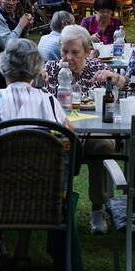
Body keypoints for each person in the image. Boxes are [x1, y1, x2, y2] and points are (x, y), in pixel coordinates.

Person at [0, 39, 78, 269]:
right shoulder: (50, 101)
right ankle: (22, 250)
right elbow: (71, 135)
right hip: (41, 188)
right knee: (33, 172)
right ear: (36, 69)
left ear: (3, 68)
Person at [40, 25, 114, 233]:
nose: (68, 57)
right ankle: (52, 205)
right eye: (65, 51)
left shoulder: (97, 68)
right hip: (59, 130)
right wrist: (36, 81)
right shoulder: (51, 68)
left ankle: (97, 209)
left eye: (75, 52)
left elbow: (125, 86)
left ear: (87, 52)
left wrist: (117, 79)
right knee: (43, 142)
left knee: (102, 145)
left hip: (93, 129)